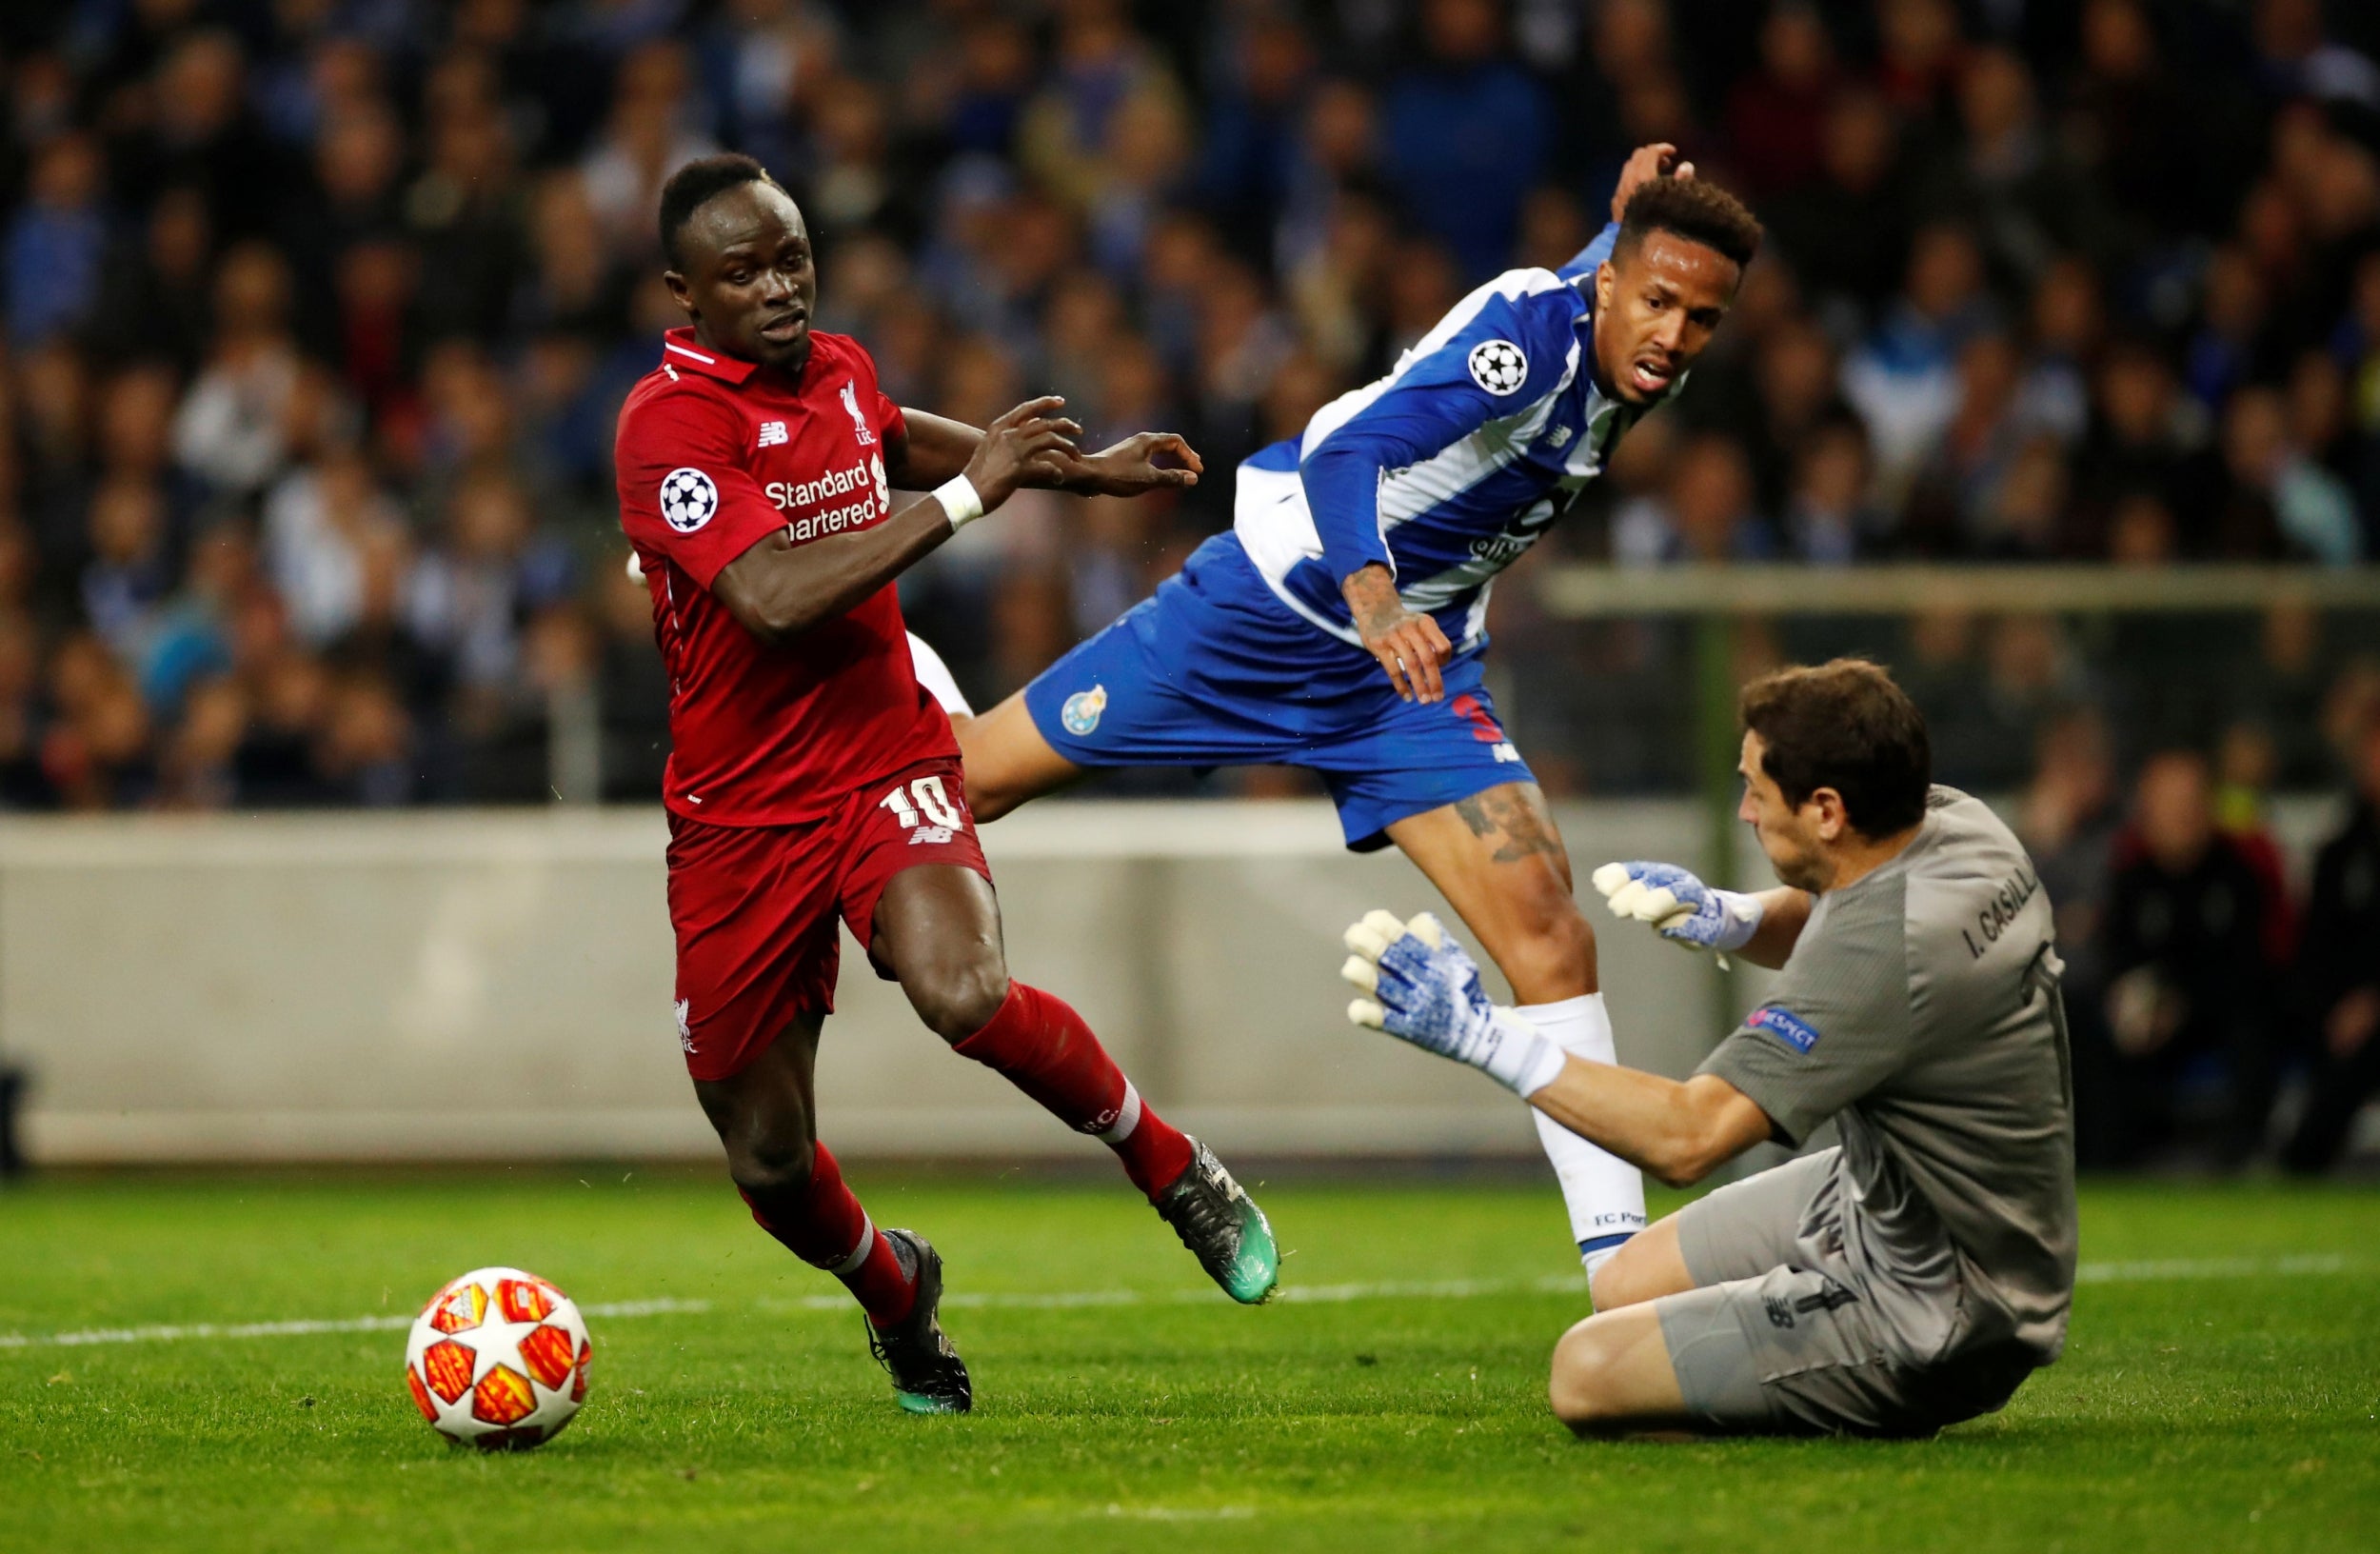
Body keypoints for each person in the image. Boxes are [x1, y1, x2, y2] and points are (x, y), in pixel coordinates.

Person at [950, 145, 1761, 1282]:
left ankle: (1617, 1272)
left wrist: (1624, 223)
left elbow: (1634, 276)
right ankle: (875, 662)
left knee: (1547, 927)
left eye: (1702, 318)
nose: (1674, 337)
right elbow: (1346, 451)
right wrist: (1375, 599)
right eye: (1660, 302)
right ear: (1610, 285)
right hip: (1268, 614)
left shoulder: (1630, 326)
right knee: (965, 783)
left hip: (1407, 678)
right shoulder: (1526, 345)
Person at [614, 154, 1279, 1417]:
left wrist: (1077, 469)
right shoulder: (668, 429)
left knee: (961, 989)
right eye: (742, 272)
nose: (777, 289)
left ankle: (1172, 1166)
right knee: (767, 1156)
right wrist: (981, 495)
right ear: (684, 295)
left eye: (791, 259)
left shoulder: (841, 367)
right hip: (739, 816)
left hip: (880, 753)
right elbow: (767, 600)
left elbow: (887, 431)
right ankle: (894, 1290)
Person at [1340, 660, 2077, 1437]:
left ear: (1825, 809)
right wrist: (1730, 916)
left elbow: (1688, 1137)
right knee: (1624, 1285)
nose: (1746, 814)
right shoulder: (1957, 825)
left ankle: (1825, 1371)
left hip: (1941, 1305)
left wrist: (1484, 1036)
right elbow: (1841, 902)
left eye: (1758, 791)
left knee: (1587, 1373)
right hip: (1889, 1191)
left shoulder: (1885, 955)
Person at [2280, 713, 2380, 1173]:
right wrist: (2336, 1007)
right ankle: (2296, 1166)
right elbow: (2315, 950)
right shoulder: (2340, 851)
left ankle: (2299, 1164)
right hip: (2341, 1016)